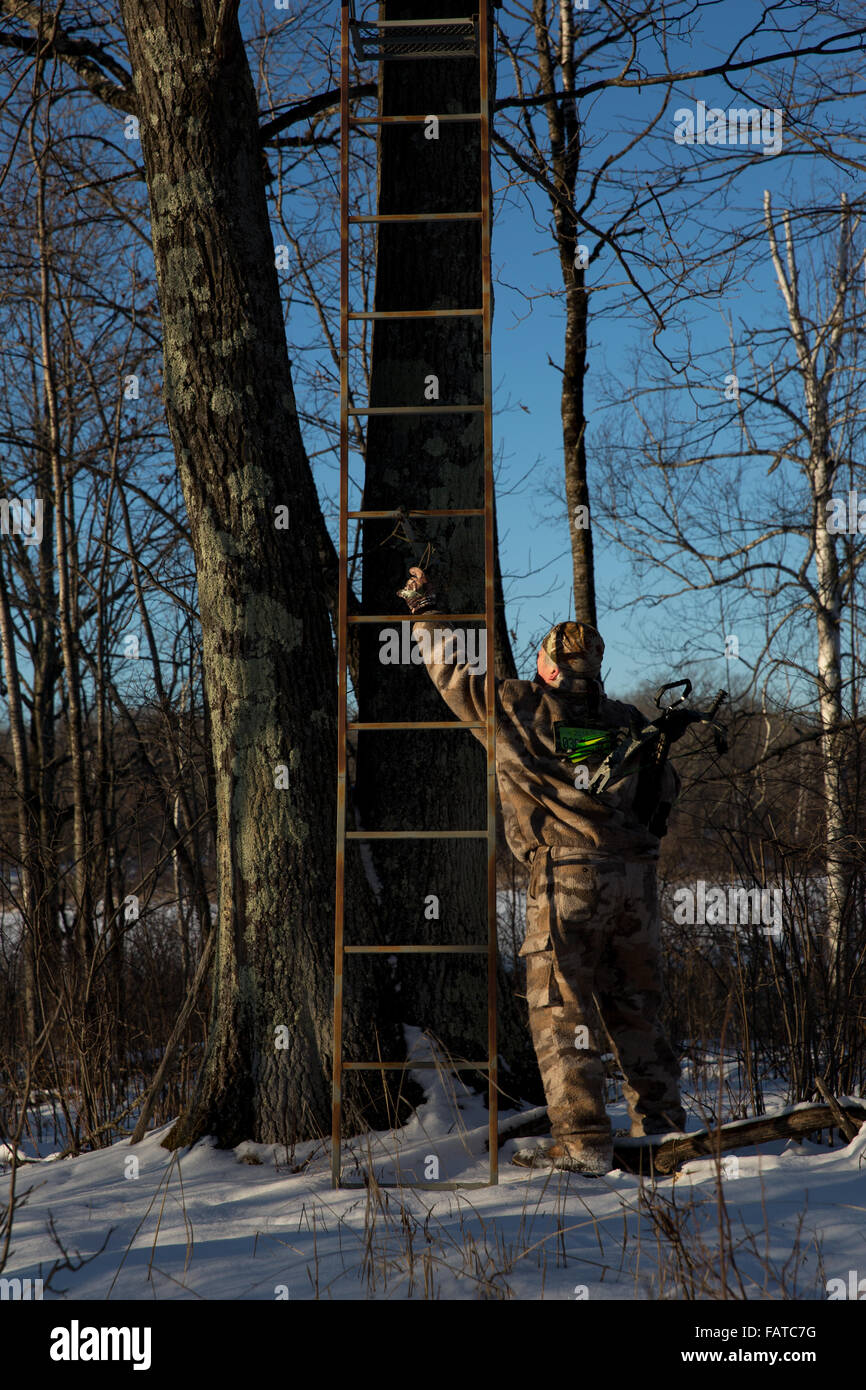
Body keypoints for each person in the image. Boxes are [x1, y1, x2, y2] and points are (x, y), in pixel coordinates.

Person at [398, 566, 686, 1175]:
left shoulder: (519, 708)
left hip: (568, 879)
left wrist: (425, 607)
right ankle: (665, 1135)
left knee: (562, 1008)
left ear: (551, 668)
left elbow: (453, 675)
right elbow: (665, 793)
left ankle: (583, 1140)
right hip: (636, 880)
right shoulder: (630, 722)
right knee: (637, 1007)